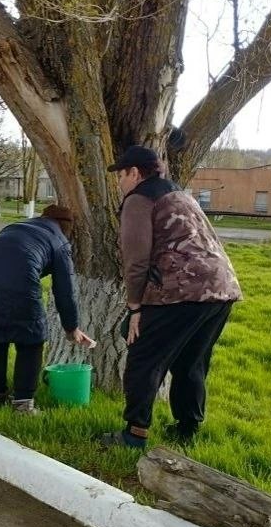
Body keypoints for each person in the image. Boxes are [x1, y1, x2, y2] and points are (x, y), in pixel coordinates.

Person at [101, 145, 242, 450]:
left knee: (143, 357)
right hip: (222, 286)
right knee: (191, 361)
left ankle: (133, 435)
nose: (119, 183)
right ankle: (188, 427)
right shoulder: (181, 195)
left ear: (135, 173)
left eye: (121, 175)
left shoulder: (139, 199)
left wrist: (135, 307)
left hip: (182, 289)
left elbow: (136, 260)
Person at [0, 204, 93, 414]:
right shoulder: (59, 240)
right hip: (18, 278)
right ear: (66, 228)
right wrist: (72, 328)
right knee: (31, 340)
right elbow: (65, 289)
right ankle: (23, 405)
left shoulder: (16, 227)